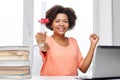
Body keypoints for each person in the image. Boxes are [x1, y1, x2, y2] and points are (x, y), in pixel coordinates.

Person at [35, 5, 99, 76]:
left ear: (69, 24)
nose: (61, 24)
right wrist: (41, 42)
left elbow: (84, 68)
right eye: (57, 21)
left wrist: (93, 45)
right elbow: (44, 46)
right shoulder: (46, 39)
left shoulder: (73, 42)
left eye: (65, 21)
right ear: (51, 24)